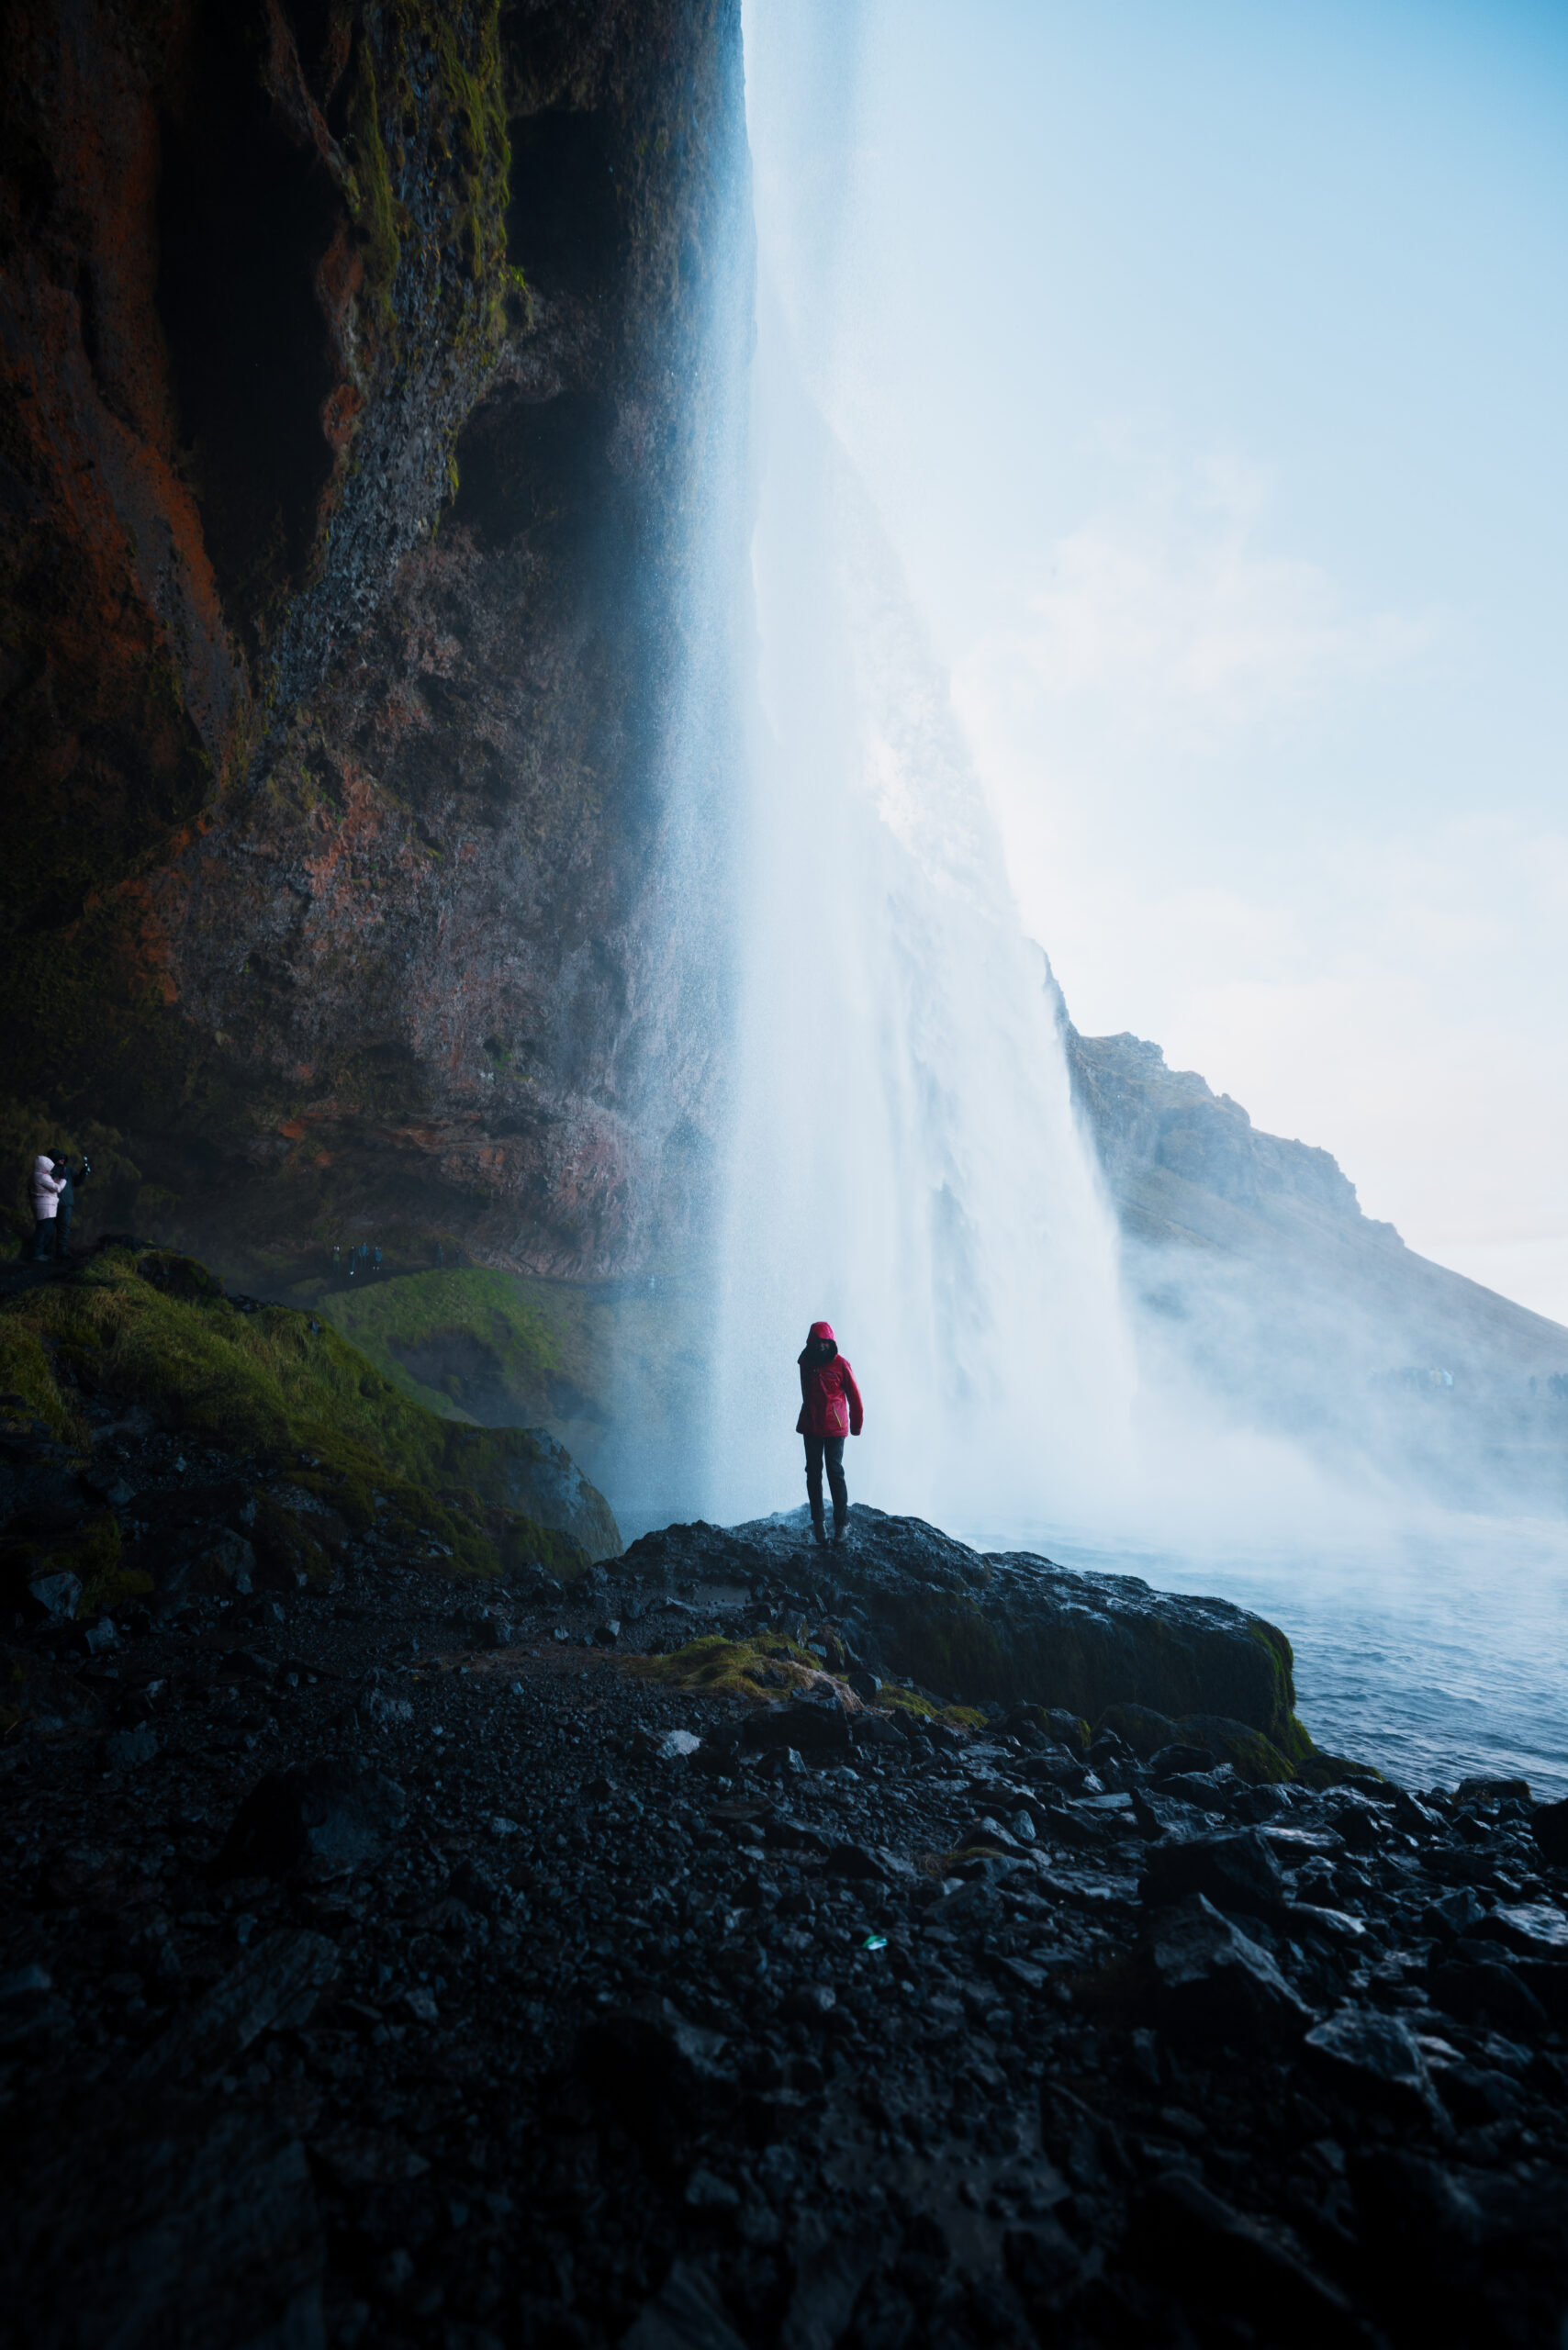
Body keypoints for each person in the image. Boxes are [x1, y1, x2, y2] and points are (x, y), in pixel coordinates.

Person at [796, 1319, 863, 1549]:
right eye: (818, 1342)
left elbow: (855, 1398)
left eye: (826, 1342)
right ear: (811, 1342)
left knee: (835, 1473)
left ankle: (842, 1523)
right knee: (813, 1473)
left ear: (831, 1342)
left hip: (835, 1427)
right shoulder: (805, 1362)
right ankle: (819, 1523)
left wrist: (856, 1426)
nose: (822, 1346)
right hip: (811, 1425)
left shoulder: (841, 1364)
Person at [50, 1151, 89, 1259]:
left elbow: (77, 1182)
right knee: (49, 1227)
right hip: (50, 1203)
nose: (62, 1159)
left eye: (64, 1158)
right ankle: (47, 1250)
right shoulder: (48, 1169)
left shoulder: (68, 1170)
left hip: (66, 1203)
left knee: (64, 1228)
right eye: (60, 1158)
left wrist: (83, 1173)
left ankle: (61, 1252)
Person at [29, 1153, 64, 1261]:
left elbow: (48, 1186)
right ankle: (36, 1254)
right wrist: (64, 1180)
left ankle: (41, 1253)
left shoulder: (37, 1175)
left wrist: (54, 1181)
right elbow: (57, 1189)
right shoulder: (42, 1176)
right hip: (45, 1207)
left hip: (46, 1206)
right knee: (42, 1230)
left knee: (46, 1229)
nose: (50, 1170)